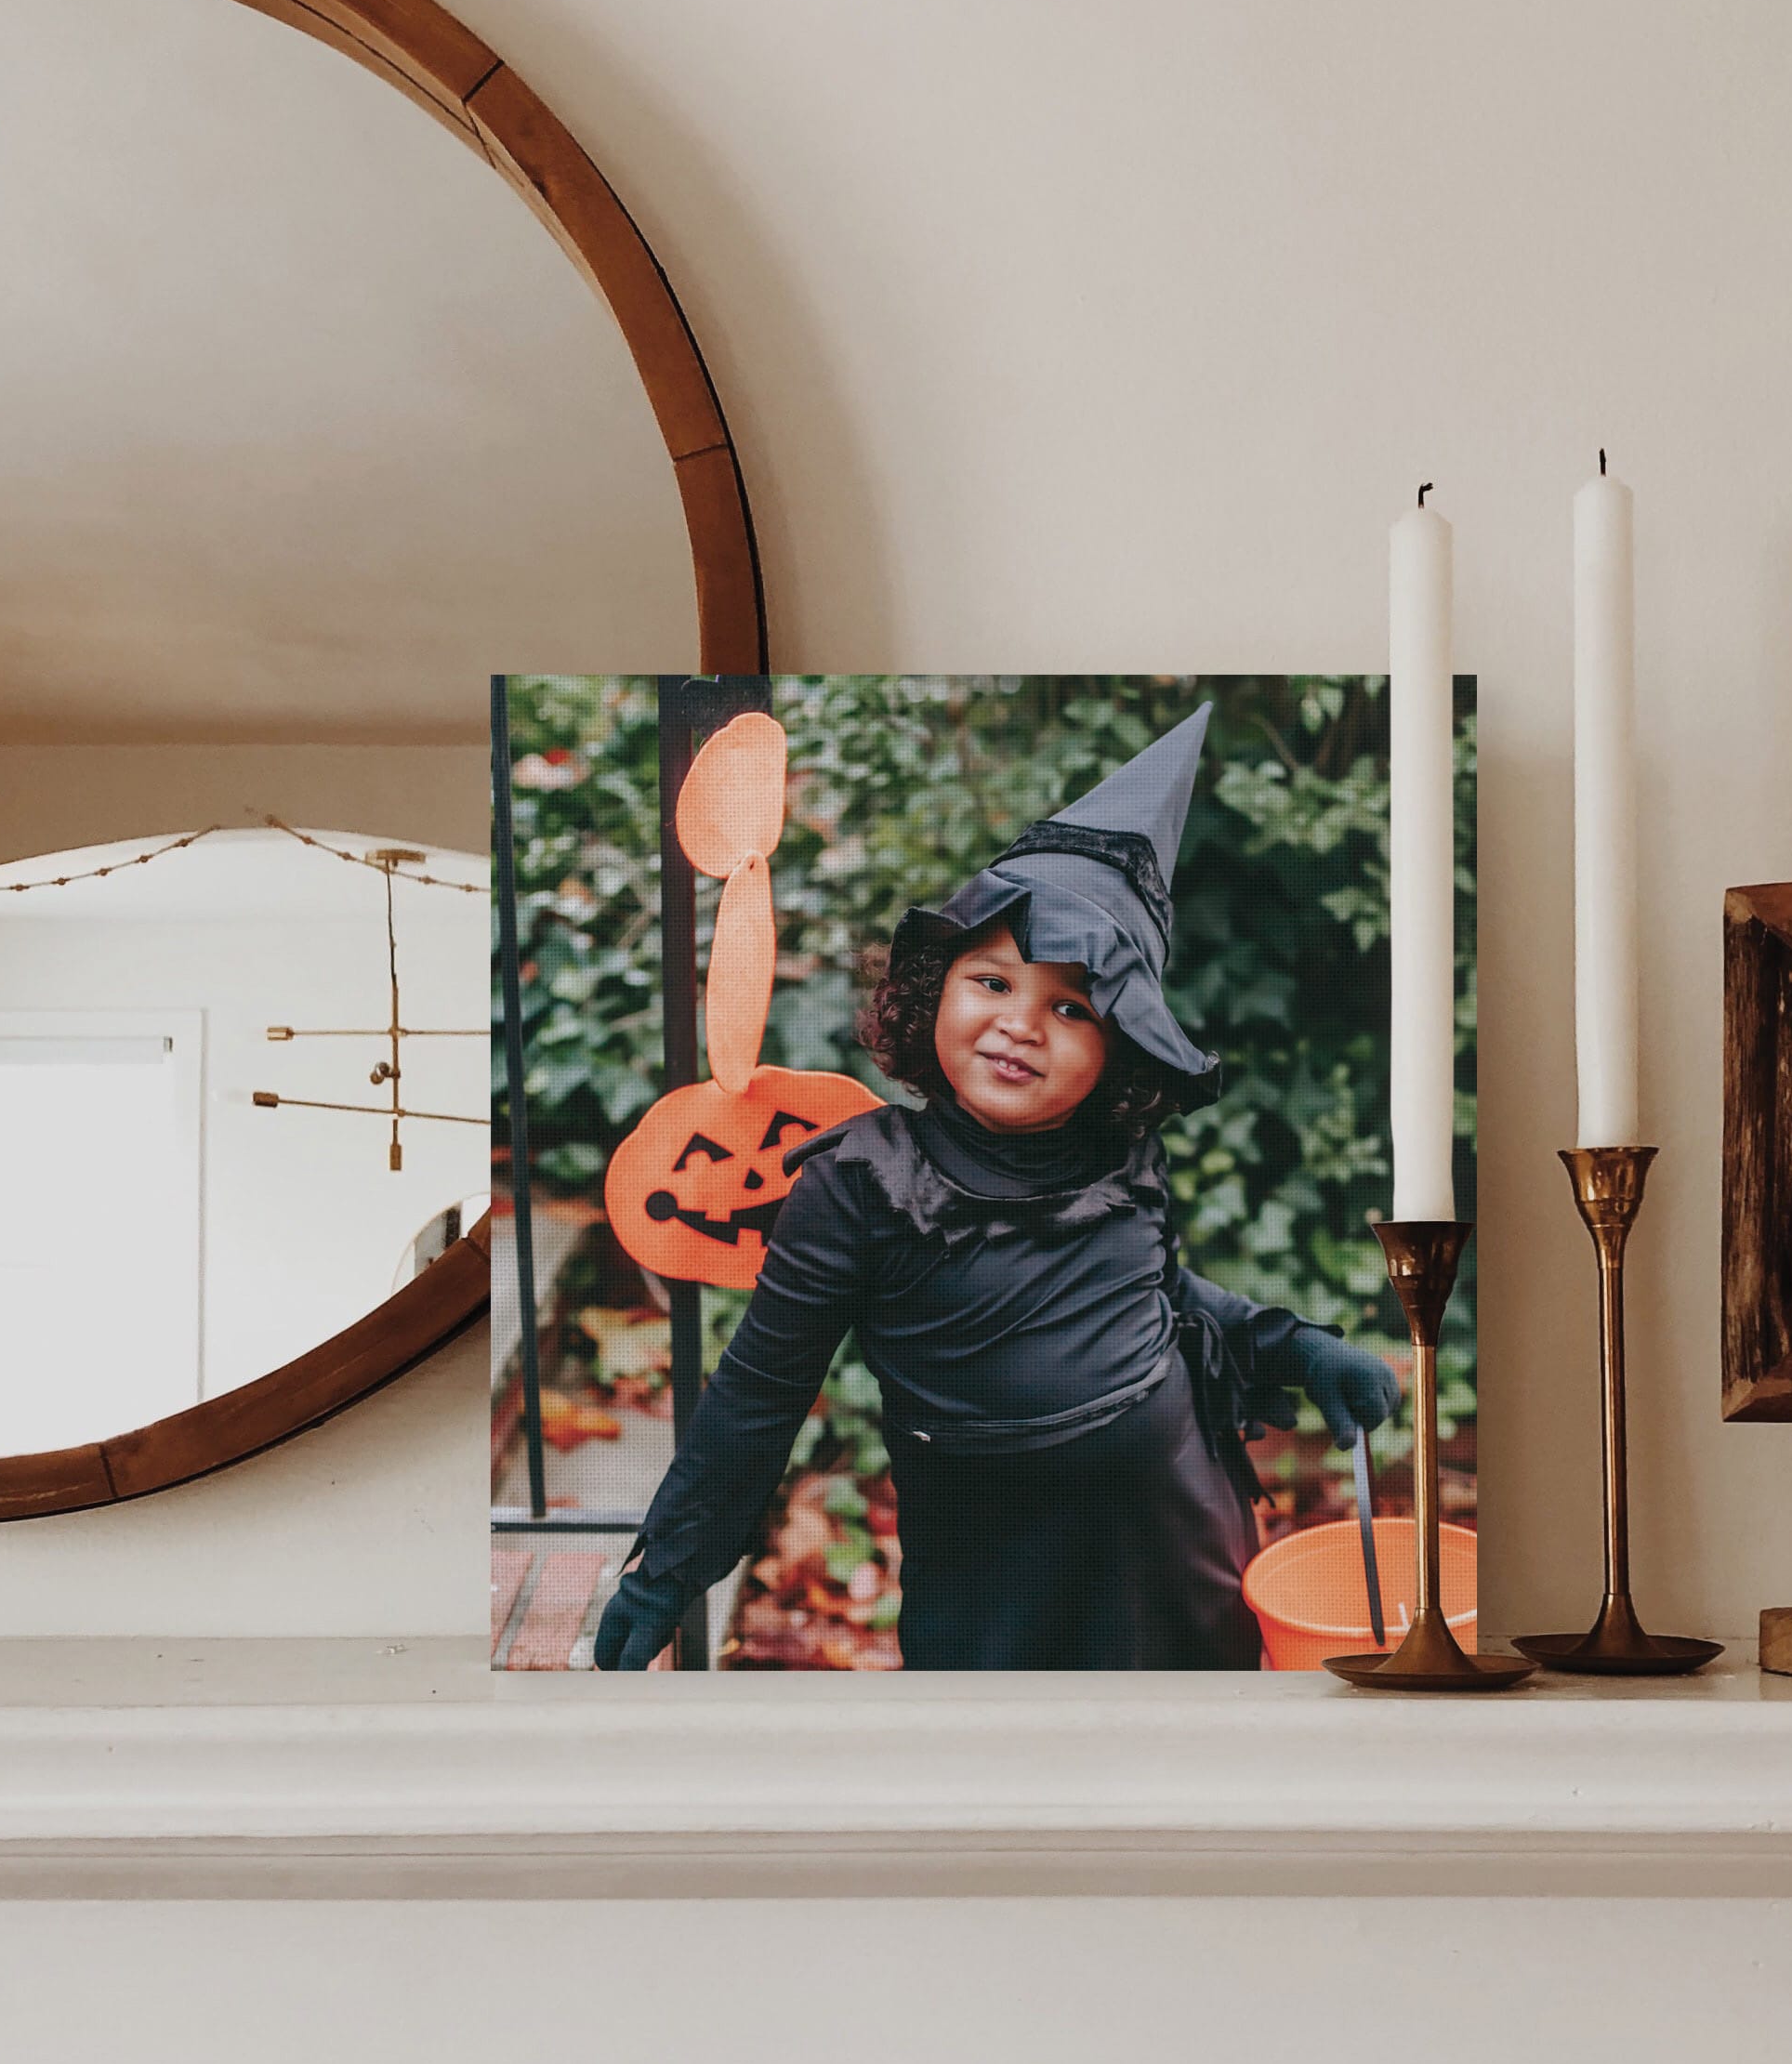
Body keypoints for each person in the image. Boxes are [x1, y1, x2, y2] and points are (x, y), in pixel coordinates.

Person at [593, 703, 1402, 1672]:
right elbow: (759, 1394)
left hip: (1176, 1543)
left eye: (1069, 1005)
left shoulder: (1122, 1158)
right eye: (993, 982)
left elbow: (1156, 1294)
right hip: (992, 1569)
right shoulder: (859, 1186)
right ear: (934, 988)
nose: (1021, 1023)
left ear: (1120, 1052)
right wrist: (669, 1565)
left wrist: (1293, 1345)